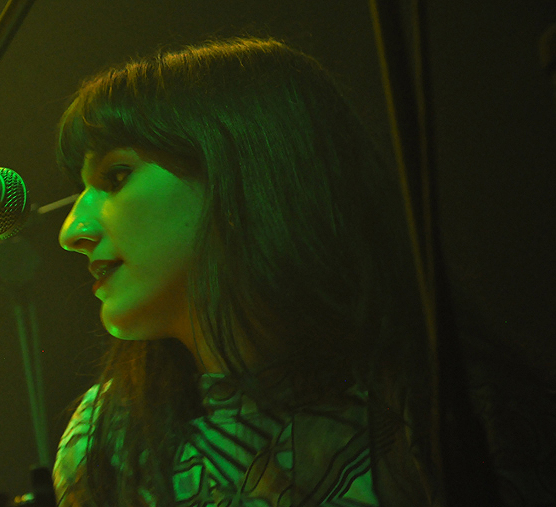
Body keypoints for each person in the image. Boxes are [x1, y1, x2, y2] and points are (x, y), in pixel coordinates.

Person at [53, 36, 437, 506]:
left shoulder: (438, 407)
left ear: (246, 169)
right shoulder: (105, 440)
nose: (71, 231)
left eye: (115, 176)